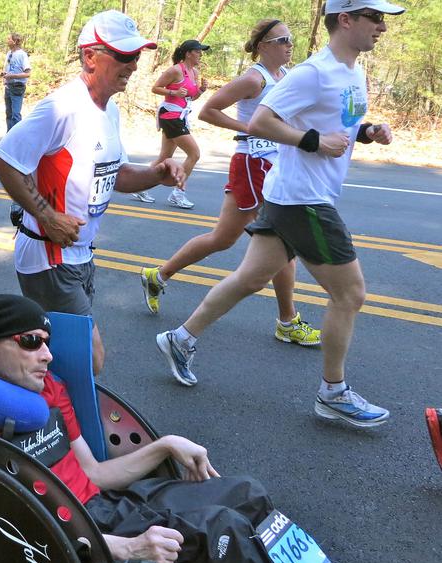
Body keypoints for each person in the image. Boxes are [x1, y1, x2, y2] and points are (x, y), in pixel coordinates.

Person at [155, 0, 402, 429]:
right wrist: (311, 141)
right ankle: (333, 392)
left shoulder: (353, 71)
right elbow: (262, 122)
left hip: (291, 193)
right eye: (375, 18)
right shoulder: (313, 73)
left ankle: (180, 339)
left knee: (250, 278)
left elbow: (334, 125)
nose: (382, 28)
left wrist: (365, 132)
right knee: (350, 294)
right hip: (305, 200)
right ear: (346, 19)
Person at [0, 294, 276, 563]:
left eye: (47, 342)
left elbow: (93, 473)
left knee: (248, 493)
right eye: (30, 342)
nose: (47, 355)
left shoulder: (50, 391)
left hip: (106, 505)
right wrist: (125, 547)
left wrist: (166, 445)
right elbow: (5, 532)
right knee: (223, 530)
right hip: (81, 534)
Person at [0, 10, 184, 377]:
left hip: (80, 254)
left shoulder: (108, 110)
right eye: (124, 56)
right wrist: (47, 216)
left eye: (136, 56)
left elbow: (119, 176)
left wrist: (158, 174)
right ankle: (52, 422)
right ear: (90, 56)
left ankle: (41, 418)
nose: (133, 65)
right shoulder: (62, 106)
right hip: (49, 256)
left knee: (60, 357)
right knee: (88, 358)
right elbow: (5, 160)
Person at [139, 19, 321, 349]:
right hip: (252, 164)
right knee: (283, 244)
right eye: (282, 40)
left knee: (223, 239)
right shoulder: (254, 77)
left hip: (270, 165)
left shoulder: (282, 76)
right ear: (264, 45)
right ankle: (287, 321)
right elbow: (209, 111)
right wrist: (252, 127)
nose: (289, 45)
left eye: (290, 39)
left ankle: (158, 275)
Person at [133, 39, 208, 208]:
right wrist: (173, 91)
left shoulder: (194, 72)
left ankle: (138, 185)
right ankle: (178, 193)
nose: (200, 54)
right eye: (198, 51)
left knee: (164, 158)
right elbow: (155, 88)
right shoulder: (175, 70)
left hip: (180, 116)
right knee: (194, 154)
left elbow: (190, 97)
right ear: (188, 53)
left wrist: (201, 91)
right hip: (170, 116)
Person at [2, 32, 31, 131]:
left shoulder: (22, 55)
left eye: (9, 39)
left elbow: (28, 73)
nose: (7, 41)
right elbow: (7, 67)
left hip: (17, 86)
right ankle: (9, 136)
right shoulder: (9, 53)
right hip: (8, 86)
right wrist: (4, 76)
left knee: (16, 114)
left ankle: (18, 136)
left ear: (15, 41)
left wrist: (12, 76)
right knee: (9, 114)